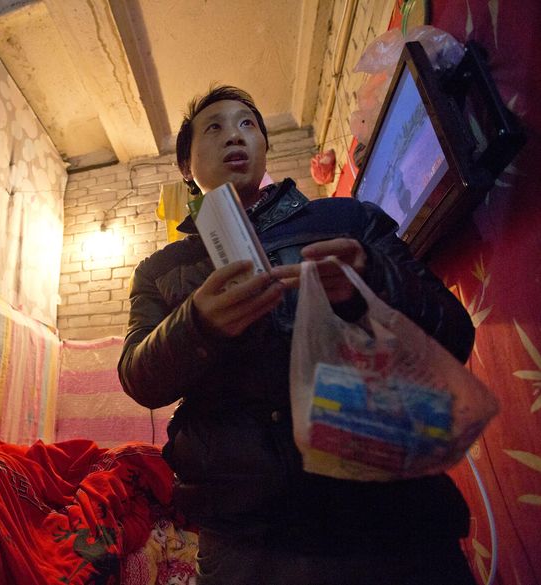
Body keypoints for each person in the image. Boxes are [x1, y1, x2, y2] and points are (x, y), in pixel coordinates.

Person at [118, 86, 478, 585]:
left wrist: (367, 281)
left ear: (265, 147)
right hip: (245, 534)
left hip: (389, 512)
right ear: (186, 166)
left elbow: (453, 334)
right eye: (214, 128)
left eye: (247, 124)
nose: (234, 136)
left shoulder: (348, 219)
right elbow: (139, 377)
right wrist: (196, 324)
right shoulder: (162, 270)